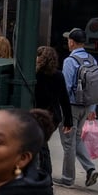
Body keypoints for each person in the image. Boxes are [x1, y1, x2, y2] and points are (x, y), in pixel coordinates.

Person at [54, 28, 98, 188]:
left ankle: (67, 178)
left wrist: (61, 109)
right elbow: (96, 86)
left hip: (71, 107)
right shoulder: (92, 59)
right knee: (76, 138)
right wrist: (92, 109)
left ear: (72, 42)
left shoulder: (70, 61)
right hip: (86, 106)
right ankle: (90, 168)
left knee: (68, 142)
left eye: (68, 40)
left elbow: (64, 88)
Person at [33, 45, 73, 178]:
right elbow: (64, 100)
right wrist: (68, 121)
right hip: (53, 117)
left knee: (41, 146)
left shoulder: (36, 75)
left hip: (40, 116)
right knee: (41, 144)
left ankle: (46, 175)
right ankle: (44, 174)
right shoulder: (58, 75)